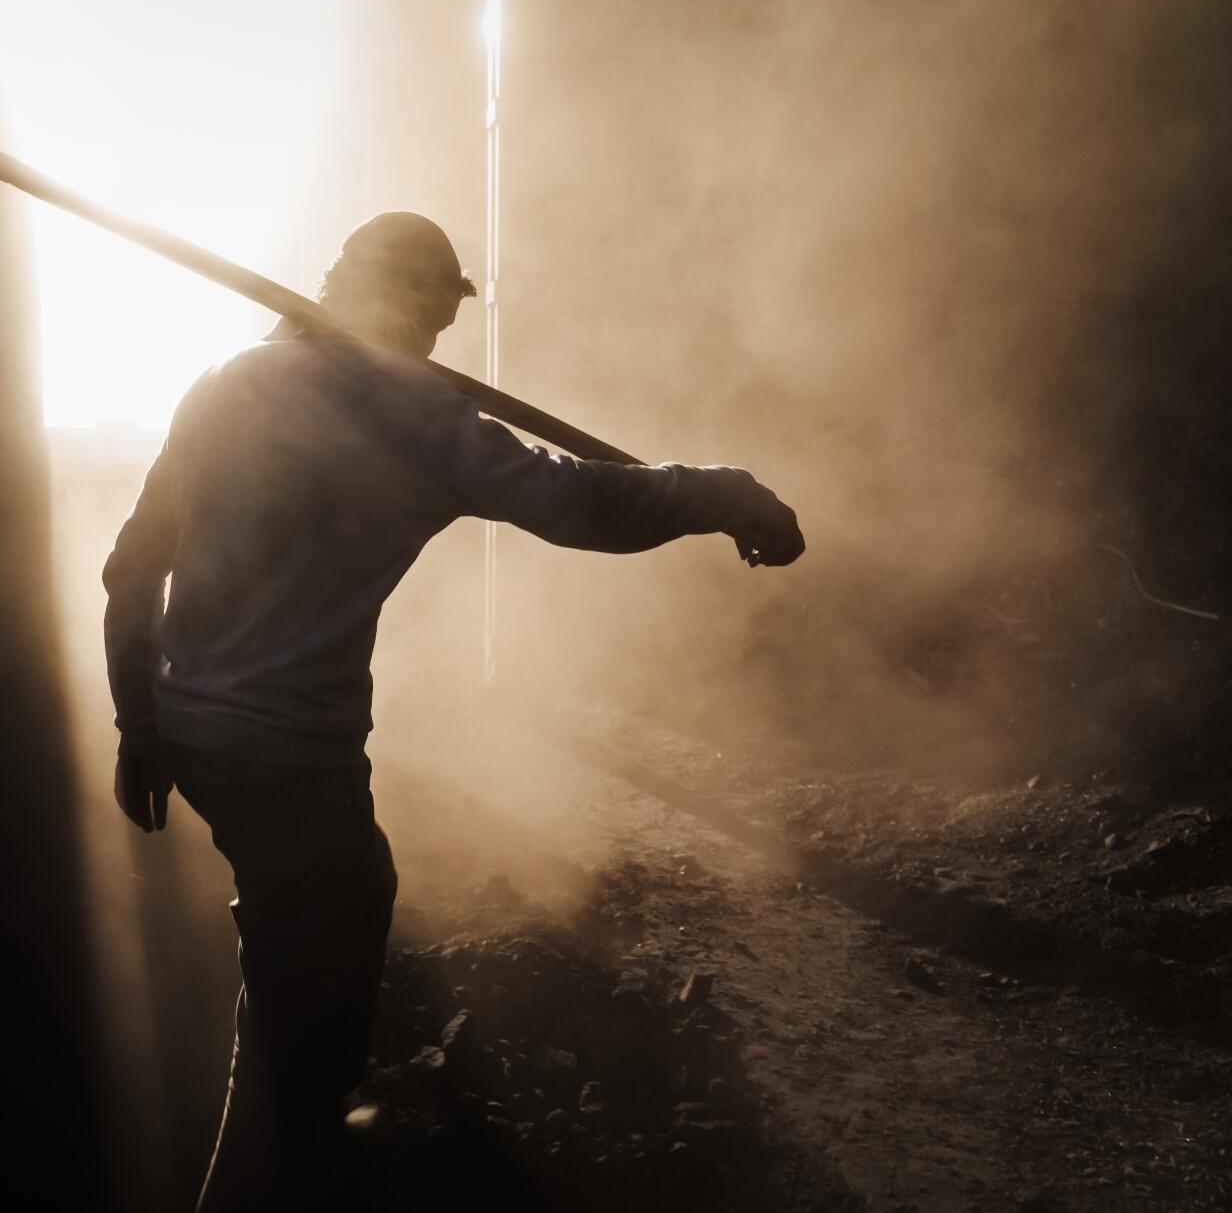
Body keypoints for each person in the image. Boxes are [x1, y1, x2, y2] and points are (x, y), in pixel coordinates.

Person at [102, 211, 804, 1211]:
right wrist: (724, 492)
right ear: (413, 303)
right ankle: (289, 1162)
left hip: (195, 733)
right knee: (307, 1016)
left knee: (318, 937)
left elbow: (130, 566)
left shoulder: (218, 385)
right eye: (434, 311)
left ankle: (292, 1135)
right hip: (292, 758)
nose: (436, 338)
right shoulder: (408, 413)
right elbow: (583, 508)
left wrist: (137, 717)